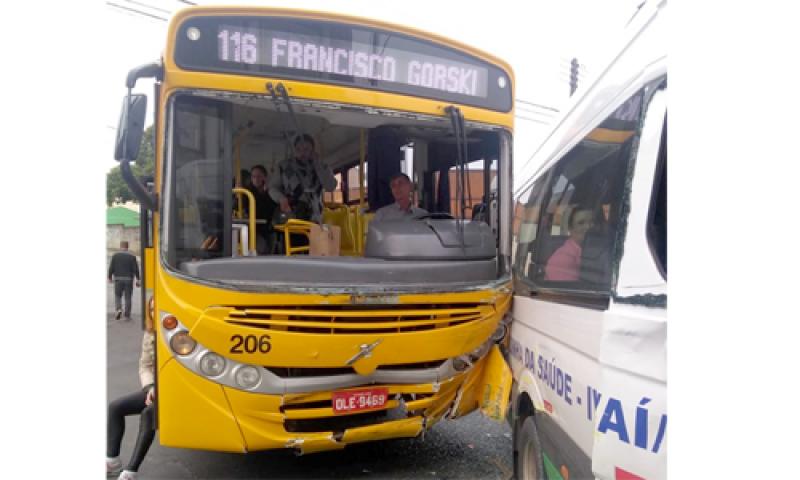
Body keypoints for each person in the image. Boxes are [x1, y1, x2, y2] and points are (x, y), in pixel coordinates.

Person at [106, 324, 156, 479]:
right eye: (152, 309)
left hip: (182, 391)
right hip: (157, 389)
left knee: (148, 413)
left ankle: (130, 472)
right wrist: (150, 387)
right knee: (115, 407)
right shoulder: (151, 332)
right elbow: (145, 365)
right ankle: (112, 461)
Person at [268, 134, 337, 224]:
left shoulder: (322, 167)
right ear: (294, 150)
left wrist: (318, 165)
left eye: (306, 149)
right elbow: (272, 188)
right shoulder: (283, 166)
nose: (302, 153)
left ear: (312, 150)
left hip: (315, 216)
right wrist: (281, 198)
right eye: (298, 149)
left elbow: (330, 187)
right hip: (291, 214)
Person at [544, 206, 595, 281]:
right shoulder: (562, 259)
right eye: (581, 223)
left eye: (591, 221)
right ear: (570, 228)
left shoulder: (595, 251)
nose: (588, 226)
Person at [246, 164, 278, 254]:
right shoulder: (246, 192)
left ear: (265, 177)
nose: (256, 179)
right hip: (253, 228)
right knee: (260, 247)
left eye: (259, 176)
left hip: (268, 227)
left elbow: (272, 208)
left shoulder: (271, 192)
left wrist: (267, 192)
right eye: (253, 176)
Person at [108, 241, 140, 321]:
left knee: (118, 296)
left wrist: (109, 277)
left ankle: (118, 309)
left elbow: (111, 267)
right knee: (128, 297)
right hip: (128, 279)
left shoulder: (115, 256)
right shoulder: (132, 256)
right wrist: (138, 279)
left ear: (120, 246)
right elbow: (135, 269)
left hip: (118, 279)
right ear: (127, 246)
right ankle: (127, 315)